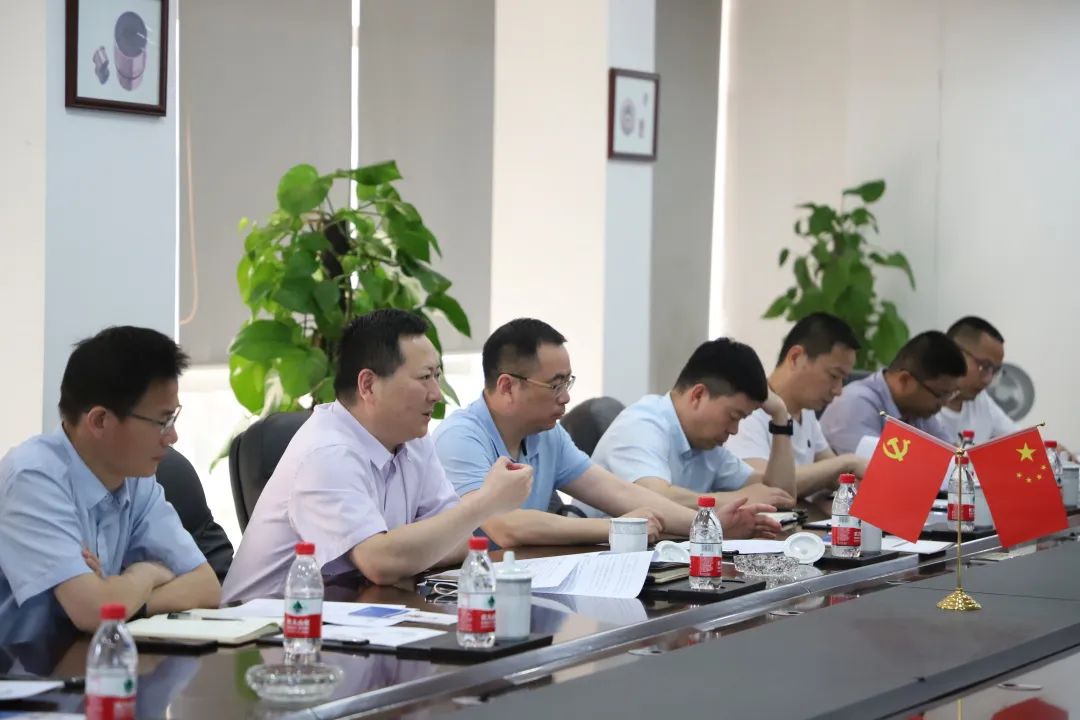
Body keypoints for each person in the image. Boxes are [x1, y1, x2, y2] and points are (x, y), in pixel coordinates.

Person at [222, 310, 532, 602]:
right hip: (267, 628)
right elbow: (380, 563)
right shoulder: (327, 452)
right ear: (368, 385)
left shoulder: (413, 439)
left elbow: (458, 541)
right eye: (424, 377)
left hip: (353, 614)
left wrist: (401, 552)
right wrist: (484, 502)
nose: (436, 394)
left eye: (437, 376)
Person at [433, 319, 781, 547]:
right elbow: (507, 527)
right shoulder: (461, 436)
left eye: (567, 383)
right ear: (507, 386)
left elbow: (618, 491)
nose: (566, 397)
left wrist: (706, 526)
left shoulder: (546, 434)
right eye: (555, 385)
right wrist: (617, 528)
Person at [0, 327, 220, 642]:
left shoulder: (136, 478)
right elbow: (93, 611)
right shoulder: (32, 477)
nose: (172, 436)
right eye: (162, 421)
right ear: (100, 420)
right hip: (24, 666)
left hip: (94, 657)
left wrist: (119, 596)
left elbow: (206, 586)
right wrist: (147, 573)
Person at [579, 337, 798, 516]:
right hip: (595, 552)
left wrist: (780, 416)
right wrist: (738, 499)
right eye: (733, 416)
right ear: (698, 395)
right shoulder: (641, 425)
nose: (734, 430)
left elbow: (780, 497)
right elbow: (654, 499)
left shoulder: (708, 446)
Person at [725, 313, 867, 498]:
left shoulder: (806, 412)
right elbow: (767, 486)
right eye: (834, 376)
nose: (838, 390)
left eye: (843, 379)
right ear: (795, 357)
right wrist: (846, 462)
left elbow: (834, 475)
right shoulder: (748, 411)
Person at [820, 330, 966, 454]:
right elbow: (877, 469)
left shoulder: (919, 412)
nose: (944, 403)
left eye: (950, 394)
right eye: (940, 395)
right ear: (904, 380)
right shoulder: (855, 404)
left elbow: (952, 457)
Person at [936, 316, 1015, 444]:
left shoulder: (981, 401)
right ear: (953, 353)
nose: (988, 380)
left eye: (994, 371)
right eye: (984, 366)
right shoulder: (918, 405)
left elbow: (1020, 440)